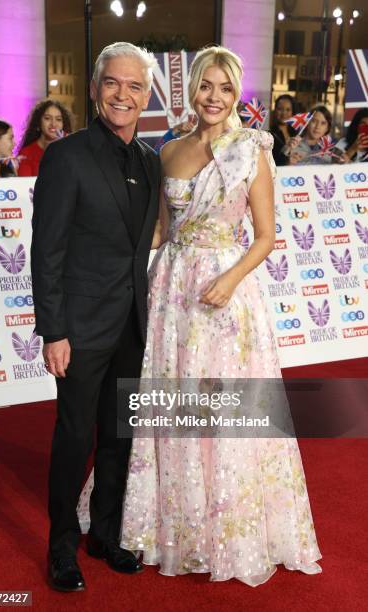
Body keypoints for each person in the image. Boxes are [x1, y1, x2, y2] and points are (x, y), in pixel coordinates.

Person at [116, 45, 322, 586]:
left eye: (224, 89)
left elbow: (267, 235)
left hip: (227, 292)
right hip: (173, 289)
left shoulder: (251, 149)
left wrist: (229, 280)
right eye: (205, 87)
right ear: (193, 92)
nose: (213, 97)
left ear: (237, 93)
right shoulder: (169, 150)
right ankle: (173, 523)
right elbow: (162, 229)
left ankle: (228, 527)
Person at [30, 42, 160, 592]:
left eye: (134, 85)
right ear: (94, 88)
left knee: (118, 436)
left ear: (147, 94)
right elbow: (47, 250)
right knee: (75, 435)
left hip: (132, 323)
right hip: (80, 329)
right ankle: (61, 548)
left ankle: (104, 533)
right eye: (113, 82)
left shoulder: (152, 161)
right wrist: (53, 330)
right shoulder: (66, 156)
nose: (122, 94)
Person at [17, 99, 72, 176]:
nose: (53, 124)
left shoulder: (69, 151)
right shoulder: (27, 153)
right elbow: (24, 184)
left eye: (58, 119)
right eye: (47, 118)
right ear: (38, 122)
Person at [269, 94, 296, 165]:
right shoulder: (269, 135)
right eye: (280, 109)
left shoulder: (296, 134)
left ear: (292, 112)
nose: (284, 113)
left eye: (288, 110)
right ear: (275, 110)